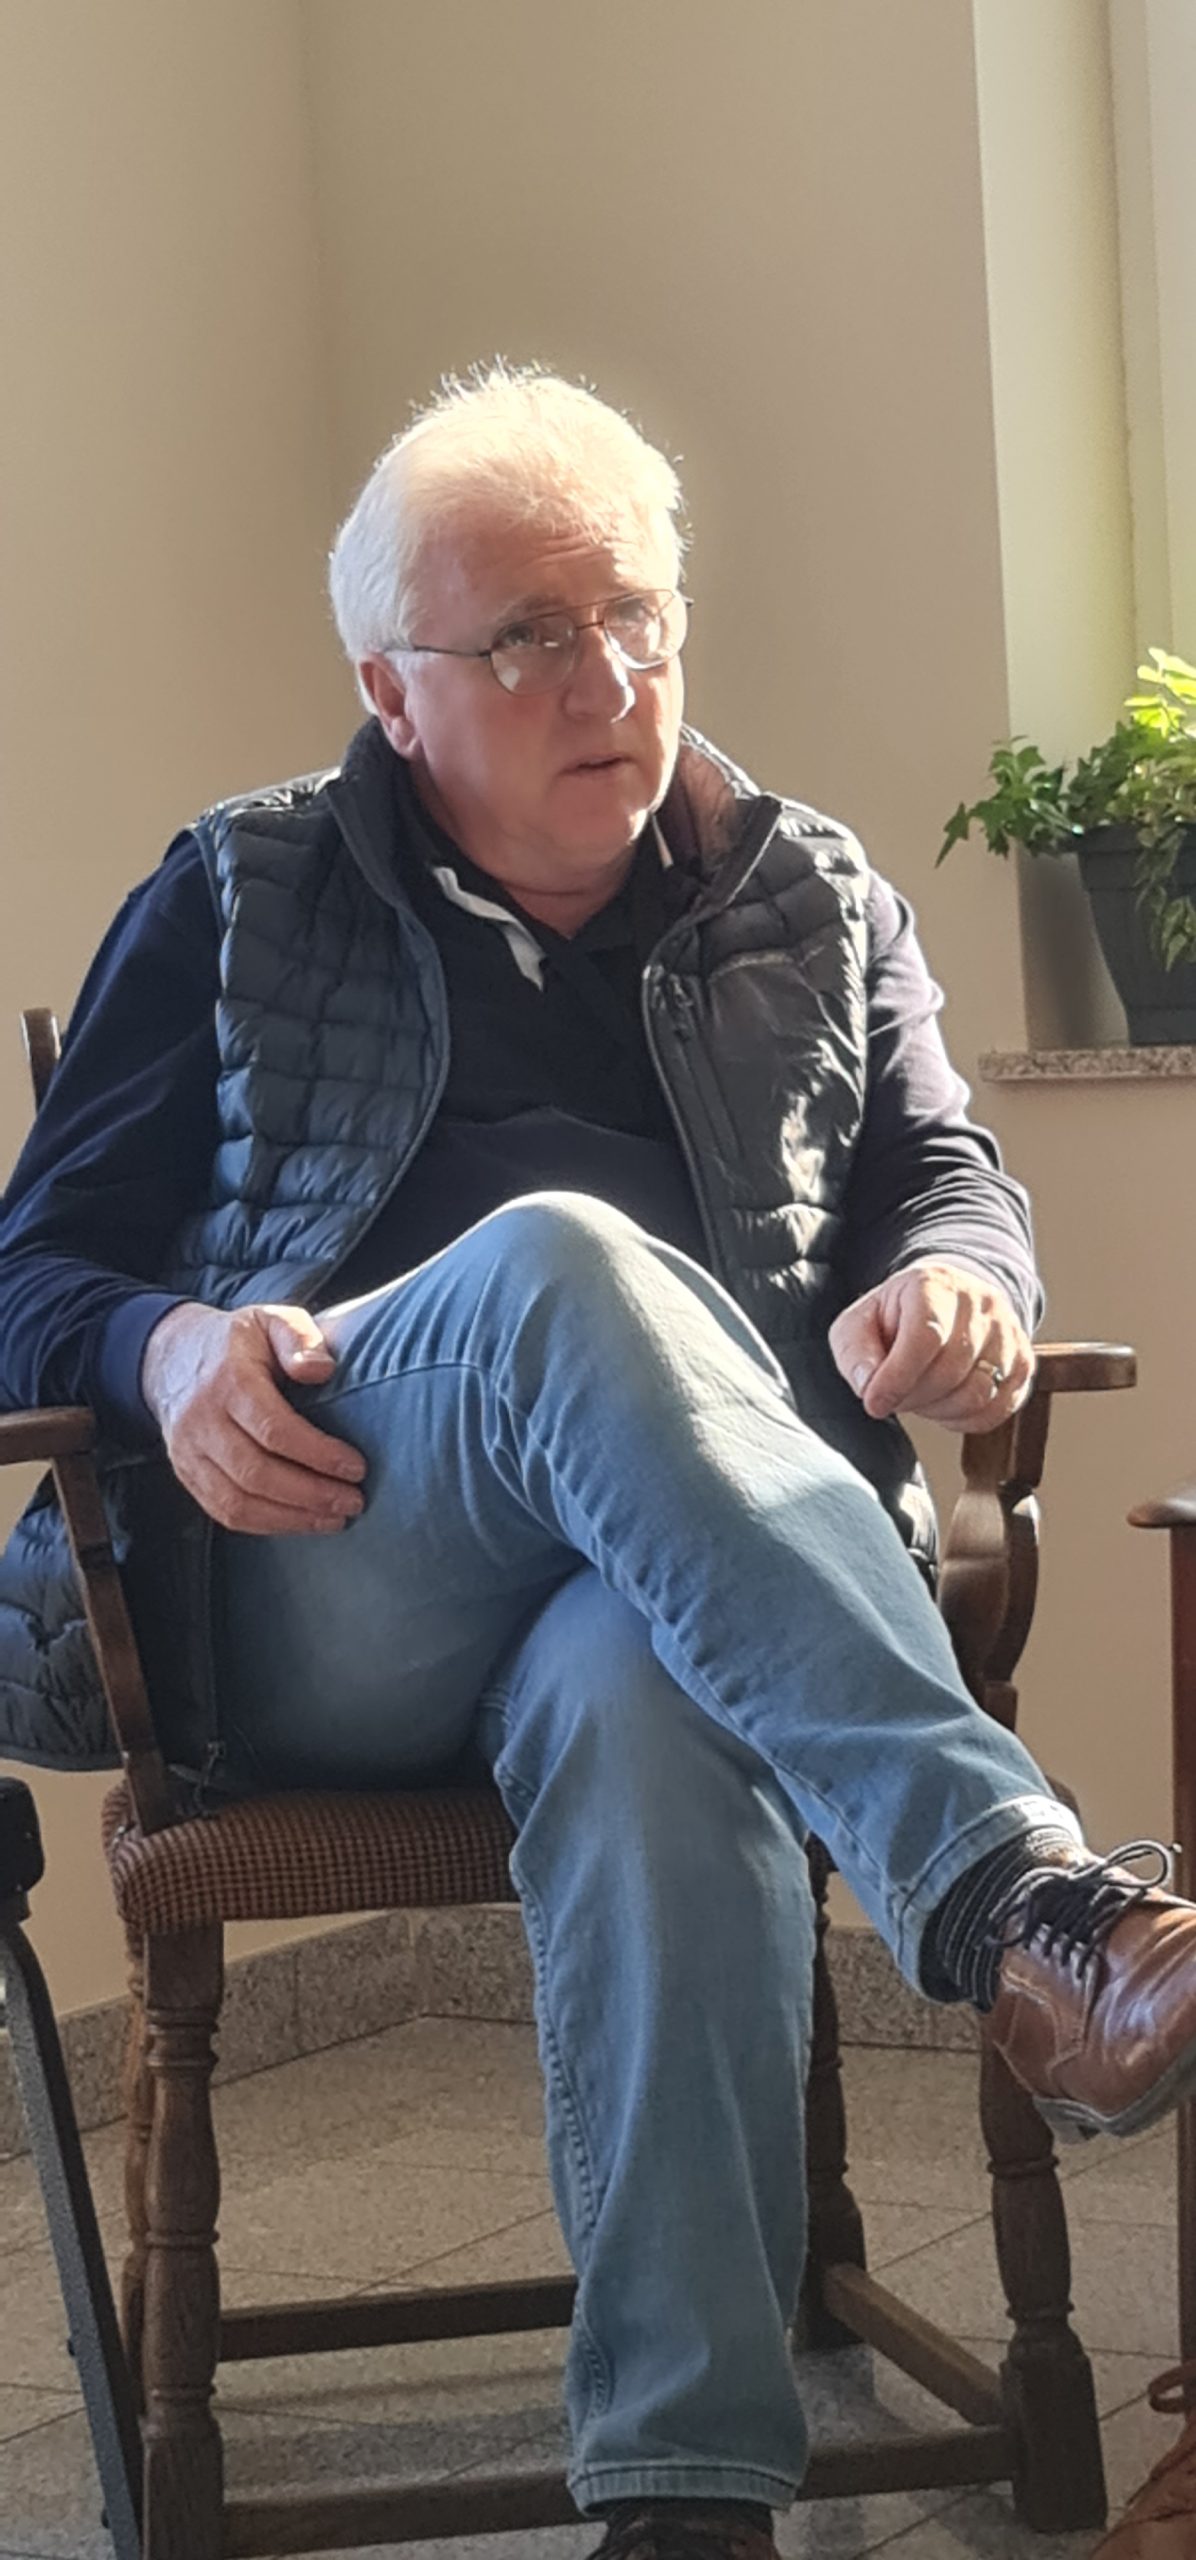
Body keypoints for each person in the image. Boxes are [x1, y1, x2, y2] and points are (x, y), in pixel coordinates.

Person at [1, 364, 1194, 2560]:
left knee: (654, 1693)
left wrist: (960, 1277)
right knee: (563, 1259)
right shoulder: (241, 888)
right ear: (391, 689)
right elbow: (32, 1271)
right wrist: (162, 1349)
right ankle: (1016, 1894)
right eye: (531, 634)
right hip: (325, 1572)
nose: (611, 676)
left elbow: (944, 1168)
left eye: (638, 613)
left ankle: (686, 2492)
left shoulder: (806, 891)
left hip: (680, 1590)